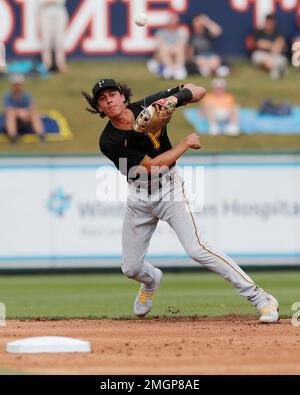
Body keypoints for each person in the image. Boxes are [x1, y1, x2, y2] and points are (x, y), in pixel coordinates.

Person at [82, 78, 279, 323]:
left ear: (123, 96)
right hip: (139, 196)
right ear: (99, 108)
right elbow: (152, 167)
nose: (109, 100)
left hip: (169, 191)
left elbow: (199, 90)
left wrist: (174, 99)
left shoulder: (149, 104)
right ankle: (151, 280)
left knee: (197, 249)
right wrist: (185, 144)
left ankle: (262, 298)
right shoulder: (108, 140)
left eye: (112, 94)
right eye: (102, 98)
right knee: (131, 268)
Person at [3, 74, 45, 143]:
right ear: (12, 86)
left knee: (34, 114)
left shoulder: (27, 96)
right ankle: (13, 137)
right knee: (11, 114)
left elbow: (32, 108)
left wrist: (26, 113)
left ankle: (41, 136)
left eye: (18, 85)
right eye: (15, 85)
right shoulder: (7, 96)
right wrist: (19, 112)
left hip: (25, 119)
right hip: (13, 120)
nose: (17, 87)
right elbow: (7, 110)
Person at [147, 11, 188, 80]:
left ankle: (177, 69)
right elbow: (159, 45)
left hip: (176, 53)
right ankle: (170, 68)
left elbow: (183, 43)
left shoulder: (182, 32)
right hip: (163, 54)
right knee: (164, 47)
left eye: (174, 20)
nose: (173, 22)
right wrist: (169, 48)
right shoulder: (160, 32)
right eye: (171, 20)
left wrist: (174, 48)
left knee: (179, 48)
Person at [250, 14, 287, 80]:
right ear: (265, 22)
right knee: (257, 56)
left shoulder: (278, 32)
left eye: (271, 22)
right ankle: (275, 69)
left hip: (274, 55)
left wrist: (271, 46)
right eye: (268, 22)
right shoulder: (259, 32)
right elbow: (260, 44)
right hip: (263, 54)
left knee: (281, 60)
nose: (270, 24)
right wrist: (272, 45)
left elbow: (281, 45)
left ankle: (274, 70)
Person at [39, 0, 69, 73]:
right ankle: (46, 65)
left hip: (59, 12)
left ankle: (60, 64)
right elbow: (41, 2)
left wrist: (50, 2)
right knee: (46, 41)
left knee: (60, 41)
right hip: (45, 12)